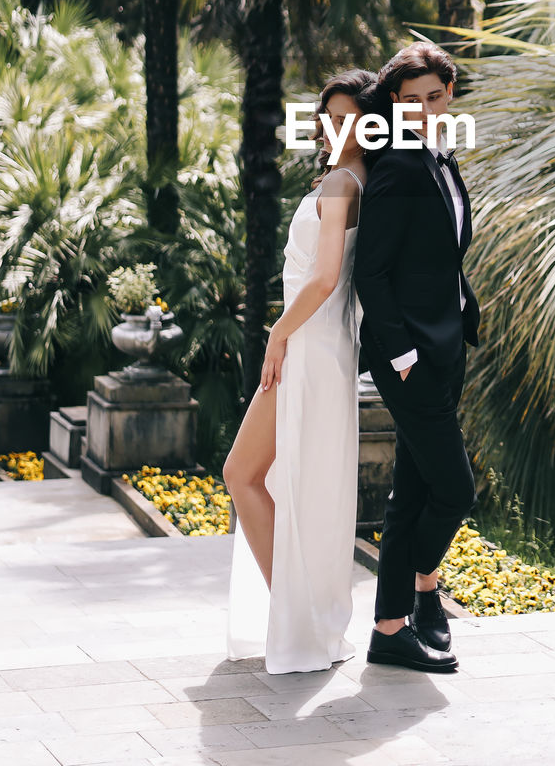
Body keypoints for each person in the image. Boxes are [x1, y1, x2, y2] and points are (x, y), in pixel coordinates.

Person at [222, 69, 376, 674]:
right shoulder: (358, 177)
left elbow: (325, 275)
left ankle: (303, 620)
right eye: (329, 117)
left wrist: (277, 334)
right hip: (321, 348)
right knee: (284, 482)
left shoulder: (342, 181)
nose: (335, 128)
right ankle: (303, 616)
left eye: (350, 119)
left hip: (308, 348)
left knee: (243, 473)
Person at [353, 41, 480, 674]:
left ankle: (390, 629)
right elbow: (370, 274)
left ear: (449, 95)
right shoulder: (399, 167)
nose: (424, 110)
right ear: (394, 106)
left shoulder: (439, 157)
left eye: (434, 97)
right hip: (409, 358)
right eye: (410, 102)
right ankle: (423, 589)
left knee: (412, 492)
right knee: (456, 489)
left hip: (446, 344)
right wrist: (402, 356)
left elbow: (443, 255)